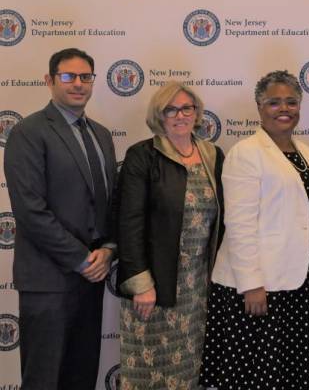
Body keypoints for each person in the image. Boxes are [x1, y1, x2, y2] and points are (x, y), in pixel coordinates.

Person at [200, 71, 309, 390]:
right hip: (261, 286)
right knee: (258, 377)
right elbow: (239, 224)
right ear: (259, 107)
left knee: (294, 375)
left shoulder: (307, 152)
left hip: (303, 279)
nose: (283, 108)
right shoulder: (245, 153)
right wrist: (251, 285)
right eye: (273, 102)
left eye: (291, 101)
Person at [4, 48, 117, 389]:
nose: (78, 84)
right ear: (49, 81)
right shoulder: (29, 132)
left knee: (81, 377)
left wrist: (109, 249)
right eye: (68, 77)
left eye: (85, 77)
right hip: (48, 282)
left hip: (91, 281)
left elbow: (108, 204)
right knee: (44, 379)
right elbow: (29, 210)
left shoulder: (101, 135)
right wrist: (81, 259)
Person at [116, 81, 224, 389]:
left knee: (188, 372)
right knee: (148, 375)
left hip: (197, 287)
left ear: (197, 112)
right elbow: (129, 221)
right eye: (171, 109)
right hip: (154, 285)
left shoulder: (212, 155)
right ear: (159, 115)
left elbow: (222, 221)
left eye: (186, 108)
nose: (180, 115)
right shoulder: (142, 155)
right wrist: (141, 283)